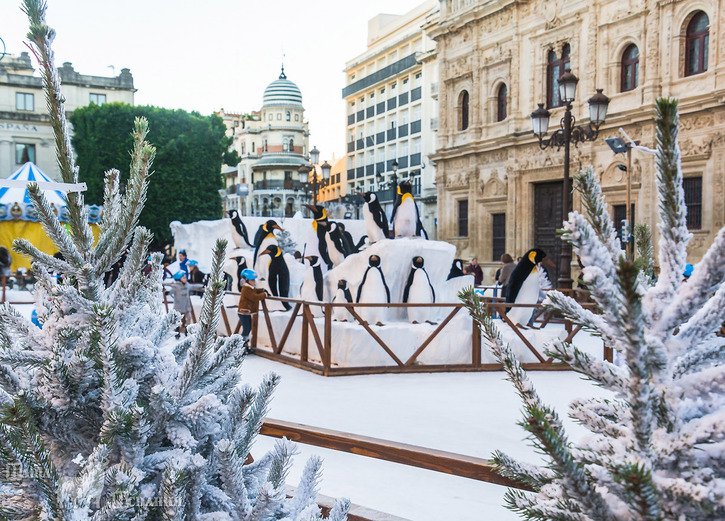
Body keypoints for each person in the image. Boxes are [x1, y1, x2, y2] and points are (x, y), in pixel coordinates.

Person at [165, 270, 204, 338]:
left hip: (186, 306)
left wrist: (202, 285)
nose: (186, 279)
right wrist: (168, 292)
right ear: (179, 279)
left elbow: (194, 286)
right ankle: (177, 332)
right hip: (178, 307)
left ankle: (187, 330)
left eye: (186, 277)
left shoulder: (187, 285)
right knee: (177, 320)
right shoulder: (176, 286)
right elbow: (171, 291)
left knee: (188, 319)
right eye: (184, 278)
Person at [237, 268, 266, 348]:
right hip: (243, 312)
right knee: (246, 329)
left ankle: (244, 345)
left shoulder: (250, 288)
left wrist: (262, 290)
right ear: (246, 280)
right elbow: (254, 297)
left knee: (248, 328)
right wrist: (264, 295)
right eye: (251, 280)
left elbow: (255, 291)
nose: (254, 281)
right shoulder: (246, 289)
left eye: (254, 280)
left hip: (247, 312)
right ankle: (241, 345)